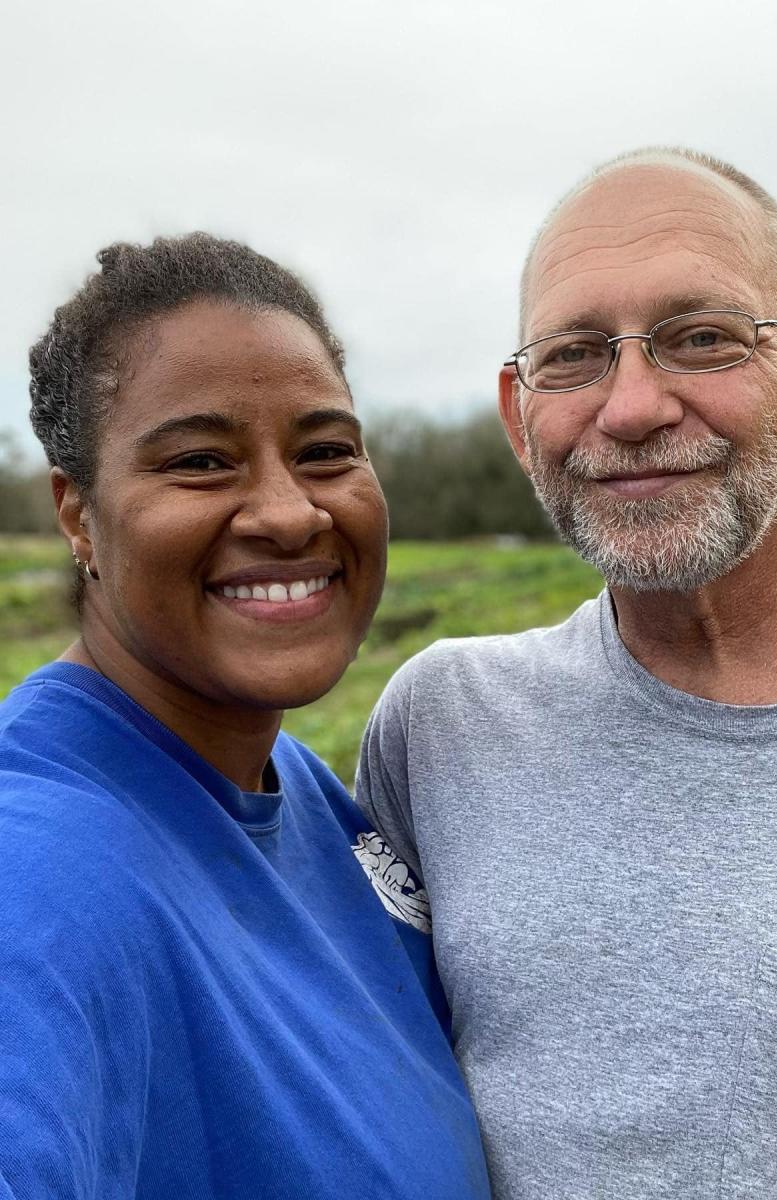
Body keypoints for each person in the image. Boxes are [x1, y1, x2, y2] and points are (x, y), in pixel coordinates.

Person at [357, 148, 777, 1198]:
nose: (631, 407)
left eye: (702, 339)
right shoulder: (441, 726)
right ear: (517, 418)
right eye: (575, 355)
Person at [0, 234, 490, 1200]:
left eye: (325, 452)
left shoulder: (300, 789)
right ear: (77, 514)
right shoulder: (39, 870)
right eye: (199, 461)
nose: (289, 510)